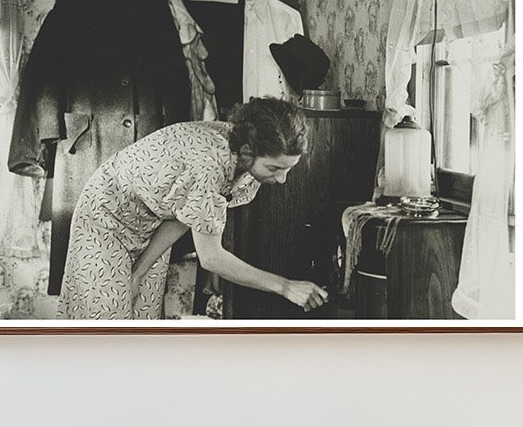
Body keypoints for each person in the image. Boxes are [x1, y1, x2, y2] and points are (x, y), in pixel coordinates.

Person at [58, 97, 329, 320]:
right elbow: (210, 257)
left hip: (151, 221)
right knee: (107, 321)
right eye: (274, 168)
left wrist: (139, 271)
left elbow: (184, 213)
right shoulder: (209, 165)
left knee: (142, 316)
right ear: (248, 152)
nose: (281, 180)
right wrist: (285, 287)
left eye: (287, 169)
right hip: (105, 216)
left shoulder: (244, 152)